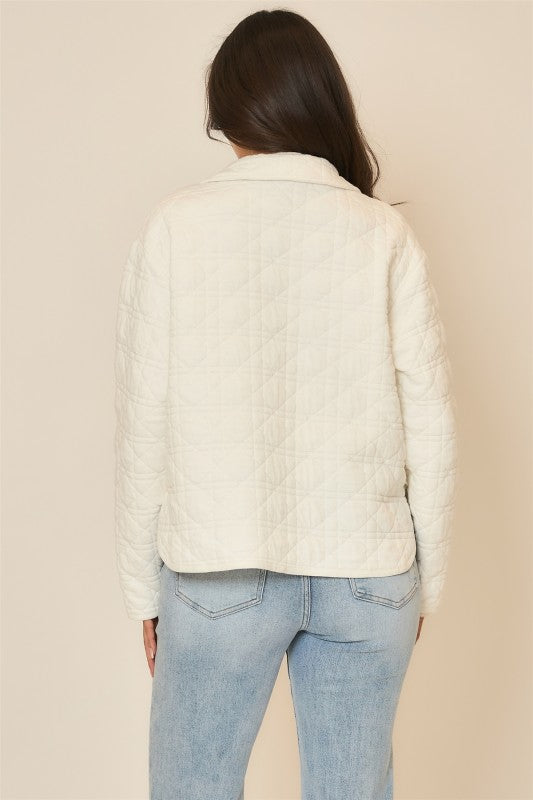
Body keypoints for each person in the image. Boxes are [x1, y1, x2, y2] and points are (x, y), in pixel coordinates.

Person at [114, 8, 459, 800]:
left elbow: (143, 425)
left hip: (219, 568)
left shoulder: (177, 228)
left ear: (227, 112)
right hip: (369, 573)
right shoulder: (381, 234)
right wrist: (426, 583)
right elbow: (432, 428)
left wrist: (142, 589)